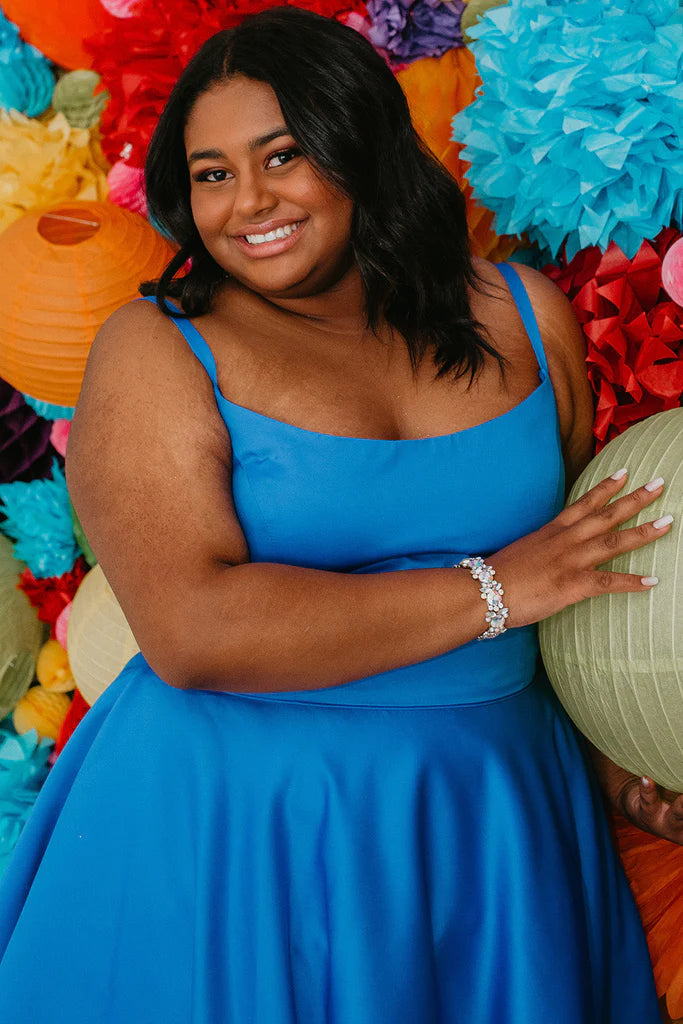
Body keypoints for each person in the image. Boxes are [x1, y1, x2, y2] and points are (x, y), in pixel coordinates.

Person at [0, 7, 676, 1021]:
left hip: (492, 816)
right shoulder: (155, 347)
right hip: (240, 826)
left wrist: (612, 762)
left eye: (283, 155)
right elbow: (193, 630)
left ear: (360, 143)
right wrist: (494, 588)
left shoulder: (525, 317)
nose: (248, 201)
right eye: (213, 173)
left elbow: (565, 591)